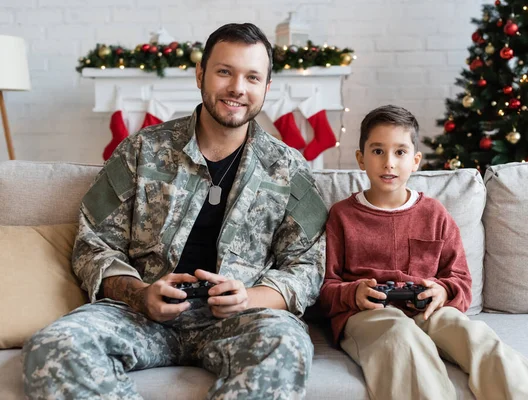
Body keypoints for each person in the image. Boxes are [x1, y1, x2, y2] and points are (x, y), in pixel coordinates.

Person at [22, 23, 328, 400]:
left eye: (252, 77)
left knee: (286, 345)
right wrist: (140, 294)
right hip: (141, 316)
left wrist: (250, 297)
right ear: (200, 74)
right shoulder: (140, 150)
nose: (237, 88)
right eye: (224, 72)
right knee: (54, 346)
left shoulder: (290, 169)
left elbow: (308, 266)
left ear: (266, 88)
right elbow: (94, 244)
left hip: (243, 319)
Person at [319, 105, 528, 400]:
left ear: (415, 161)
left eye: (400, 152)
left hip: (427, 309)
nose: (389, 163)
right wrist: (352, 293)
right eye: (378, 151)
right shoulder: (341, 216)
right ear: (361, 158)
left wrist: (443, 291)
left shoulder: (434, 214)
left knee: (473, 335)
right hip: (368, 314)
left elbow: (460, 279)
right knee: (400, 338)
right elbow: (322, 288)